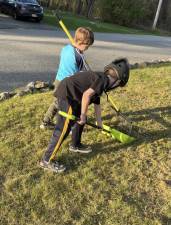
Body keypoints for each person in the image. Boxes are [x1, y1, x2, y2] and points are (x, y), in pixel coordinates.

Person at [40, 58, 130, 173]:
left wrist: (99, 122)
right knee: (63, 129)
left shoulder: (101, 78)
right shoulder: (103, 81)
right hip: (69, 95)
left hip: (73, 95)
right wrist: (82, 114)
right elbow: (87, 96)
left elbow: (96, 101)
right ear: (117, 81)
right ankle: (46, 160)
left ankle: (75, 144)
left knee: (81, 119)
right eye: (119, 84)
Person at [40, 27, 94, 129]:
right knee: (69, 105)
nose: (88, 48)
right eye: (88, 45)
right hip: (68, 85)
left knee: (57, 102)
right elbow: (83, 74)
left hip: (58, 80)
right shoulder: (79, 57)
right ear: (82, 42)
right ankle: (68, 127)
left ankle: (45, 122)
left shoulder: (66, 48)